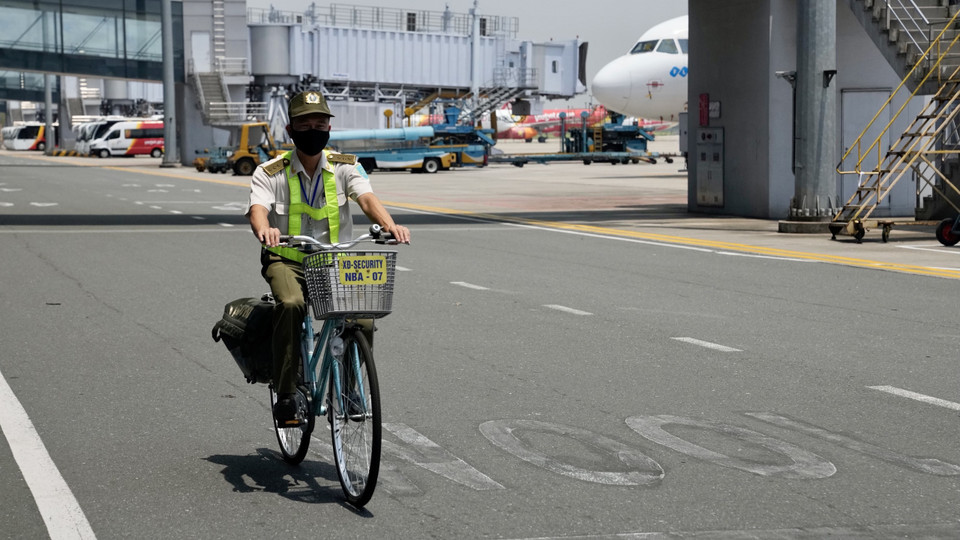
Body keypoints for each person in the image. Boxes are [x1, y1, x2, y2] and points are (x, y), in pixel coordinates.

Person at [245, 90, 411, 424]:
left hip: (332, 261)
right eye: (305, 124)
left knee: (362, 320)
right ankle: (288, 394)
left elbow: (366, 199)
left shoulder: (345, 167)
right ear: (290, 130)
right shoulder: (270, 171)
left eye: (320, 123)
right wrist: (265, 230)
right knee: (291, 305)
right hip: (286, 259)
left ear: (329, 129)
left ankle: (347, 390)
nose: (314, 130)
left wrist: (389, 224)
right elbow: (258, 210)